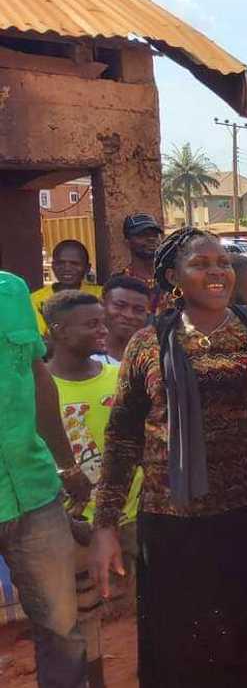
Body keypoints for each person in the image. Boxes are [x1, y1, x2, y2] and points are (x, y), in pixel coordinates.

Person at [90, 228, 247, 687]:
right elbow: (122, 439)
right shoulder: (148, 344)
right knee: (180, 654)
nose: (217, 272)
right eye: (200, 264)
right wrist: (105, 525)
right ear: (173, 277)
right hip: (172, 525)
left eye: (222, 263)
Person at [42, 291, 143, 687]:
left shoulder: (118, 379)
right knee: (83, 620)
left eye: (103, 321)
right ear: (59, 331)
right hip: (72, 524)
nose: (104, 330)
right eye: (92, 324)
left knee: (147, 605)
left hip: (131, 513)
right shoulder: (40, 388)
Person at [0, 270, 92, 688]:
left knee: (61, 628)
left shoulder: (11, 290)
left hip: (33, 490)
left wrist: (66, 465)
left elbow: (38, 376)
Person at [30, 240, 102, 335]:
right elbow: (41, 337)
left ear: (87, 268)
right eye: (60, 263)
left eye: (75, 264)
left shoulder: (101, 295)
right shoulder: (36, 300)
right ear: (53, 266)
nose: (67, 268)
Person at [111, 213, 164, 314]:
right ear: (127, 242)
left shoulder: (173, 281)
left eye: (155, 235)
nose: (151, 239)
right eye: (142, 235)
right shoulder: (117, 285)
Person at [93, 276, 151, 366]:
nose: (129, 315)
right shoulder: (81, 356)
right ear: (102, 305)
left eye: (139, 310)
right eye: (120, 305)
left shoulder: (155, 361)